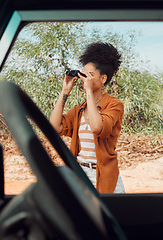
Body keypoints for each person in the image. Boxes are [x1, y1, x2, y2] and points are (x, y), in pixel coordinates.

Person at [50, 42, 125, 193]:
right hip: (80, 175)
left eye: (89, 75)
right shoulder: (79, 110)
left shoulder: (114, 105)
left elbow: (97, 128)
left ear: (103, 79)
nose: (84, 79)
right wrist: (65, 91)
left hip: (105, 176)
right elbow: (54, 127)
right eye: (82, 74)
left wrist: (89, 92)